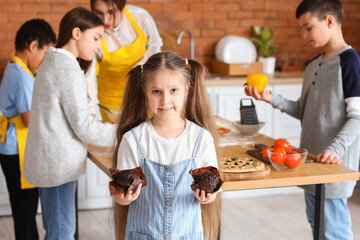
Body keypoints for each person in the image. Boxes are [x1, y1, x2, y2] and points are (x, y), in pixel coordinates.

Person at [246, 0, 360, 239]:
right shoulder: (313, 66)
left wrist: (334, 150)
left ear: (329, 20)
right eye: (301, 28)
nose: (303, 34)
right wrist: (270, 98)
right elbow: (303, 110)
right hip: (308, 164)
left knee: (334, 233)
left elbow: (357, 117)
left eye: (308, 27)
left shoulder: (349, 62)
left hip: (332, 167)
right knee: (318, 228)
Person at [23, 7, 117, 240]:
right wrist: (122, 132)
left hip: (50, 163)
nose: (98, 46)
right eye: (96, 38)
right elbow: (84, 127)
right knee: (62, 232)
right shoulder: (67, 68)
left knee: (55, 229)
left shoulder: (53, 60)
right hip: (58, 166)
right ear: (76, 33)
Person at [110, 52, 221, 240]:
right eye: (156, 91)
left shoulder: (201, 138)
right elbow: (121, 196)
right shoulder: (133, 139)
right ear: (144, 90)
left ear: (187, 89)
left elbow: (213, 192)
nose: (165, 100)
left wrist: (207, 196)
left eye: (173, 90)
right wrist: (123, 197)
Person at [0, 19, 56, 240]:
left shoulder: (14, 68)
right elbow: (29, 119)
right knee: (26, 207)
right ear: (33, 46)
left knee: (21, 208)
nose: (44, 62)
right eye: (45, 54)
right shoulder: (23, 76)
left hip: (9, 147)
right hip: (18, 150)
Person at [88, 0, 163, 121]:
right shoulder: (92, 34)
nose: (106, 20)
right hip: (111, 107)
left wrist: (140, 65)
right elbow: (90, 75)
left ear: (121, 6)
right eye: (99, 13)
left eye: (111, 12)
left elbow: (155, 45)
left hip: (144, 99)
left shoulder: (140, 16)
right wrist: (91, 110)